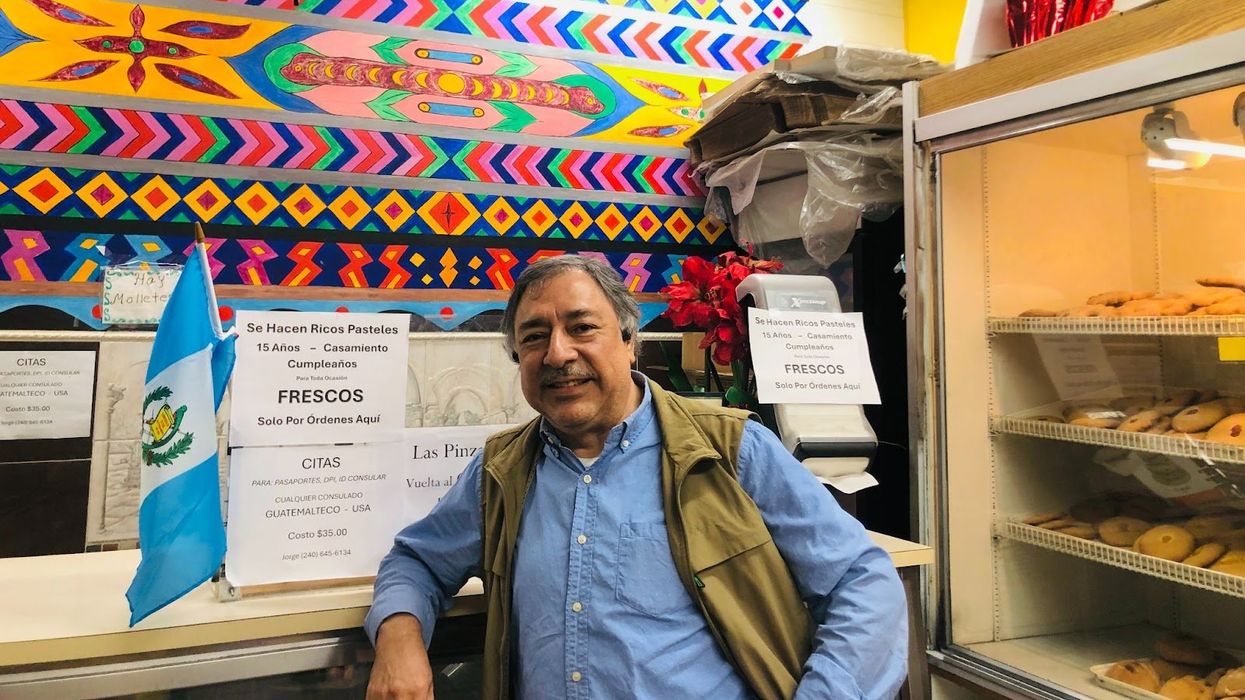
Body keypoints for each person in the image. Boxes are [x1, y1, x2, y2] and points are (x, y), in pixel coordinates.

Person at [365, 255, 908, 700]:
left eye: (582, 328)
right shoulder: (501, 471)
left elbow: (861, 581)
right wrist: (399, 636)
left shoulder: (730, 450)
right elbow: (417, 560)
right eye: (534, 337)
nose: (558, 353)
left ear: (630, 340)